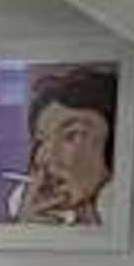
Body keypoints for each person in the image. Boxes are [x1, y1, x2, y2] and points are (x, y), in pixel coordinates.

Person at [6, 66, 115, 226]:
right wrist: (23, 232)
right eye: (42, 140)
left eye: (72, 136)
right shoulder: (25, 201)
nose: (45, 157)